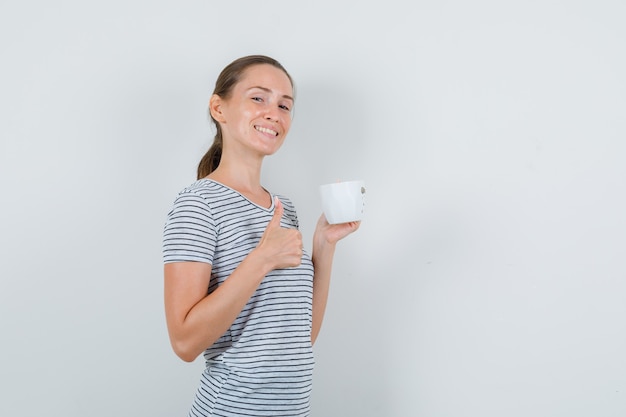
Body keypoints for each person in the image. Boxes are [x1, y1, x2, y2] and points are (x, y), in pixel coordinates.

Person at [162, 55, 360, 417]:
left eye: (285, 105)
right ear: (218, 108)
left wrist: (323, 247)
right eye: (258, 98)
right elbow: (185, 342)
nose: (274, 113)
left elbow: (301, 339)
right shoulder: (197, 204)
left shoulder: (284, 208)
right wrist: (260, 261)